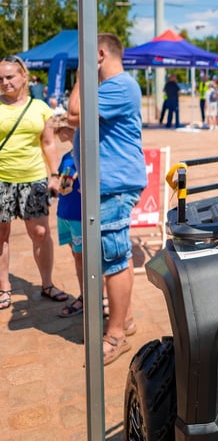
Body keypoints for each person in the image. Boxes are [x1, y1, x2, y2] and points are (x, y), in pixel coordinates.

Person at [67, 34, 147, 365]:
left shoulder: (119, 84)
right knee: (115, 254)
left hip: (113, 183)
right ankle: (123, 320)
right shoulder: (113, 87)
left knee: (112, 256)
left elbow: (75, 113)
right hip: (107, 182)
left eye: (84, 56)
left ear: (98, 54)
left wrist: (80, 75)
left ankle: (115, 336)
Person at [0, 55, 66, 311]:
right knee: (1, 235)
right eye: (0, 79)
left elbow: (48, 143)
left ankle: (47, 284)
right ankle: (4, 286)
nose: (5, 82)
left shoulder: (39, 107)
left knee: (40, 233)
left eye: (10, 76)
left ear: (24, 76)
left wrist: (54, 174)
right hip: (2, 179)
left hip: (34, 179)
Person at [51, 114, 83, 317]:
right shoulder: (67, 157)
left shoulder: (86, 156)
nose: (57, 134)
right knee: (76, 255)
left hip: (79, 216)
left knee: (83, 257)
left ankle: (89, 297)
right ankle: (85, 295)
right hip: (65, 213)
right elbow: (63, 182)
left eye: (60, 130)